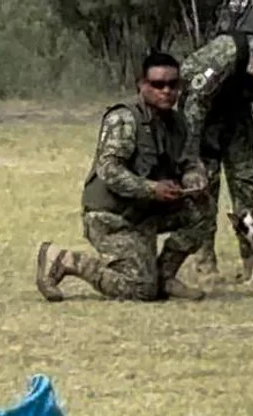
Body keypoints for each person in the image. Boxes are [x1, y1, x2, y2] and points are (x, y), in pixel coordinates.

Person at [35, 52, 209, 303]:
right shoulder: (124, 120)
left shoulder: (177, 123)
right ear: (142, 85)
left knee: (202, 209)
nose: (167, 91)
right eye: (158, 84)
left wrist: (194, 180)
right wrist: (151, 189)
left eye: (173, 84)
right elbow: (109, 171)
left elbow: (190, 161)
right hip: (112, 217)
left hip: (146, 212)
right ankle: (64, 260)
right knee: (140, 290)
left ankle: (165, 276)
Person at [179, 32, 253, 277]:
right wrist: (190, 157)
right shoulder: (227, 54)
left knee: (248, 188)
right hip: (202, 119)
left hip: (237, 118)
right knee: (204, 188)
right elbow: (195, 103)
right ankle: (204, 262)